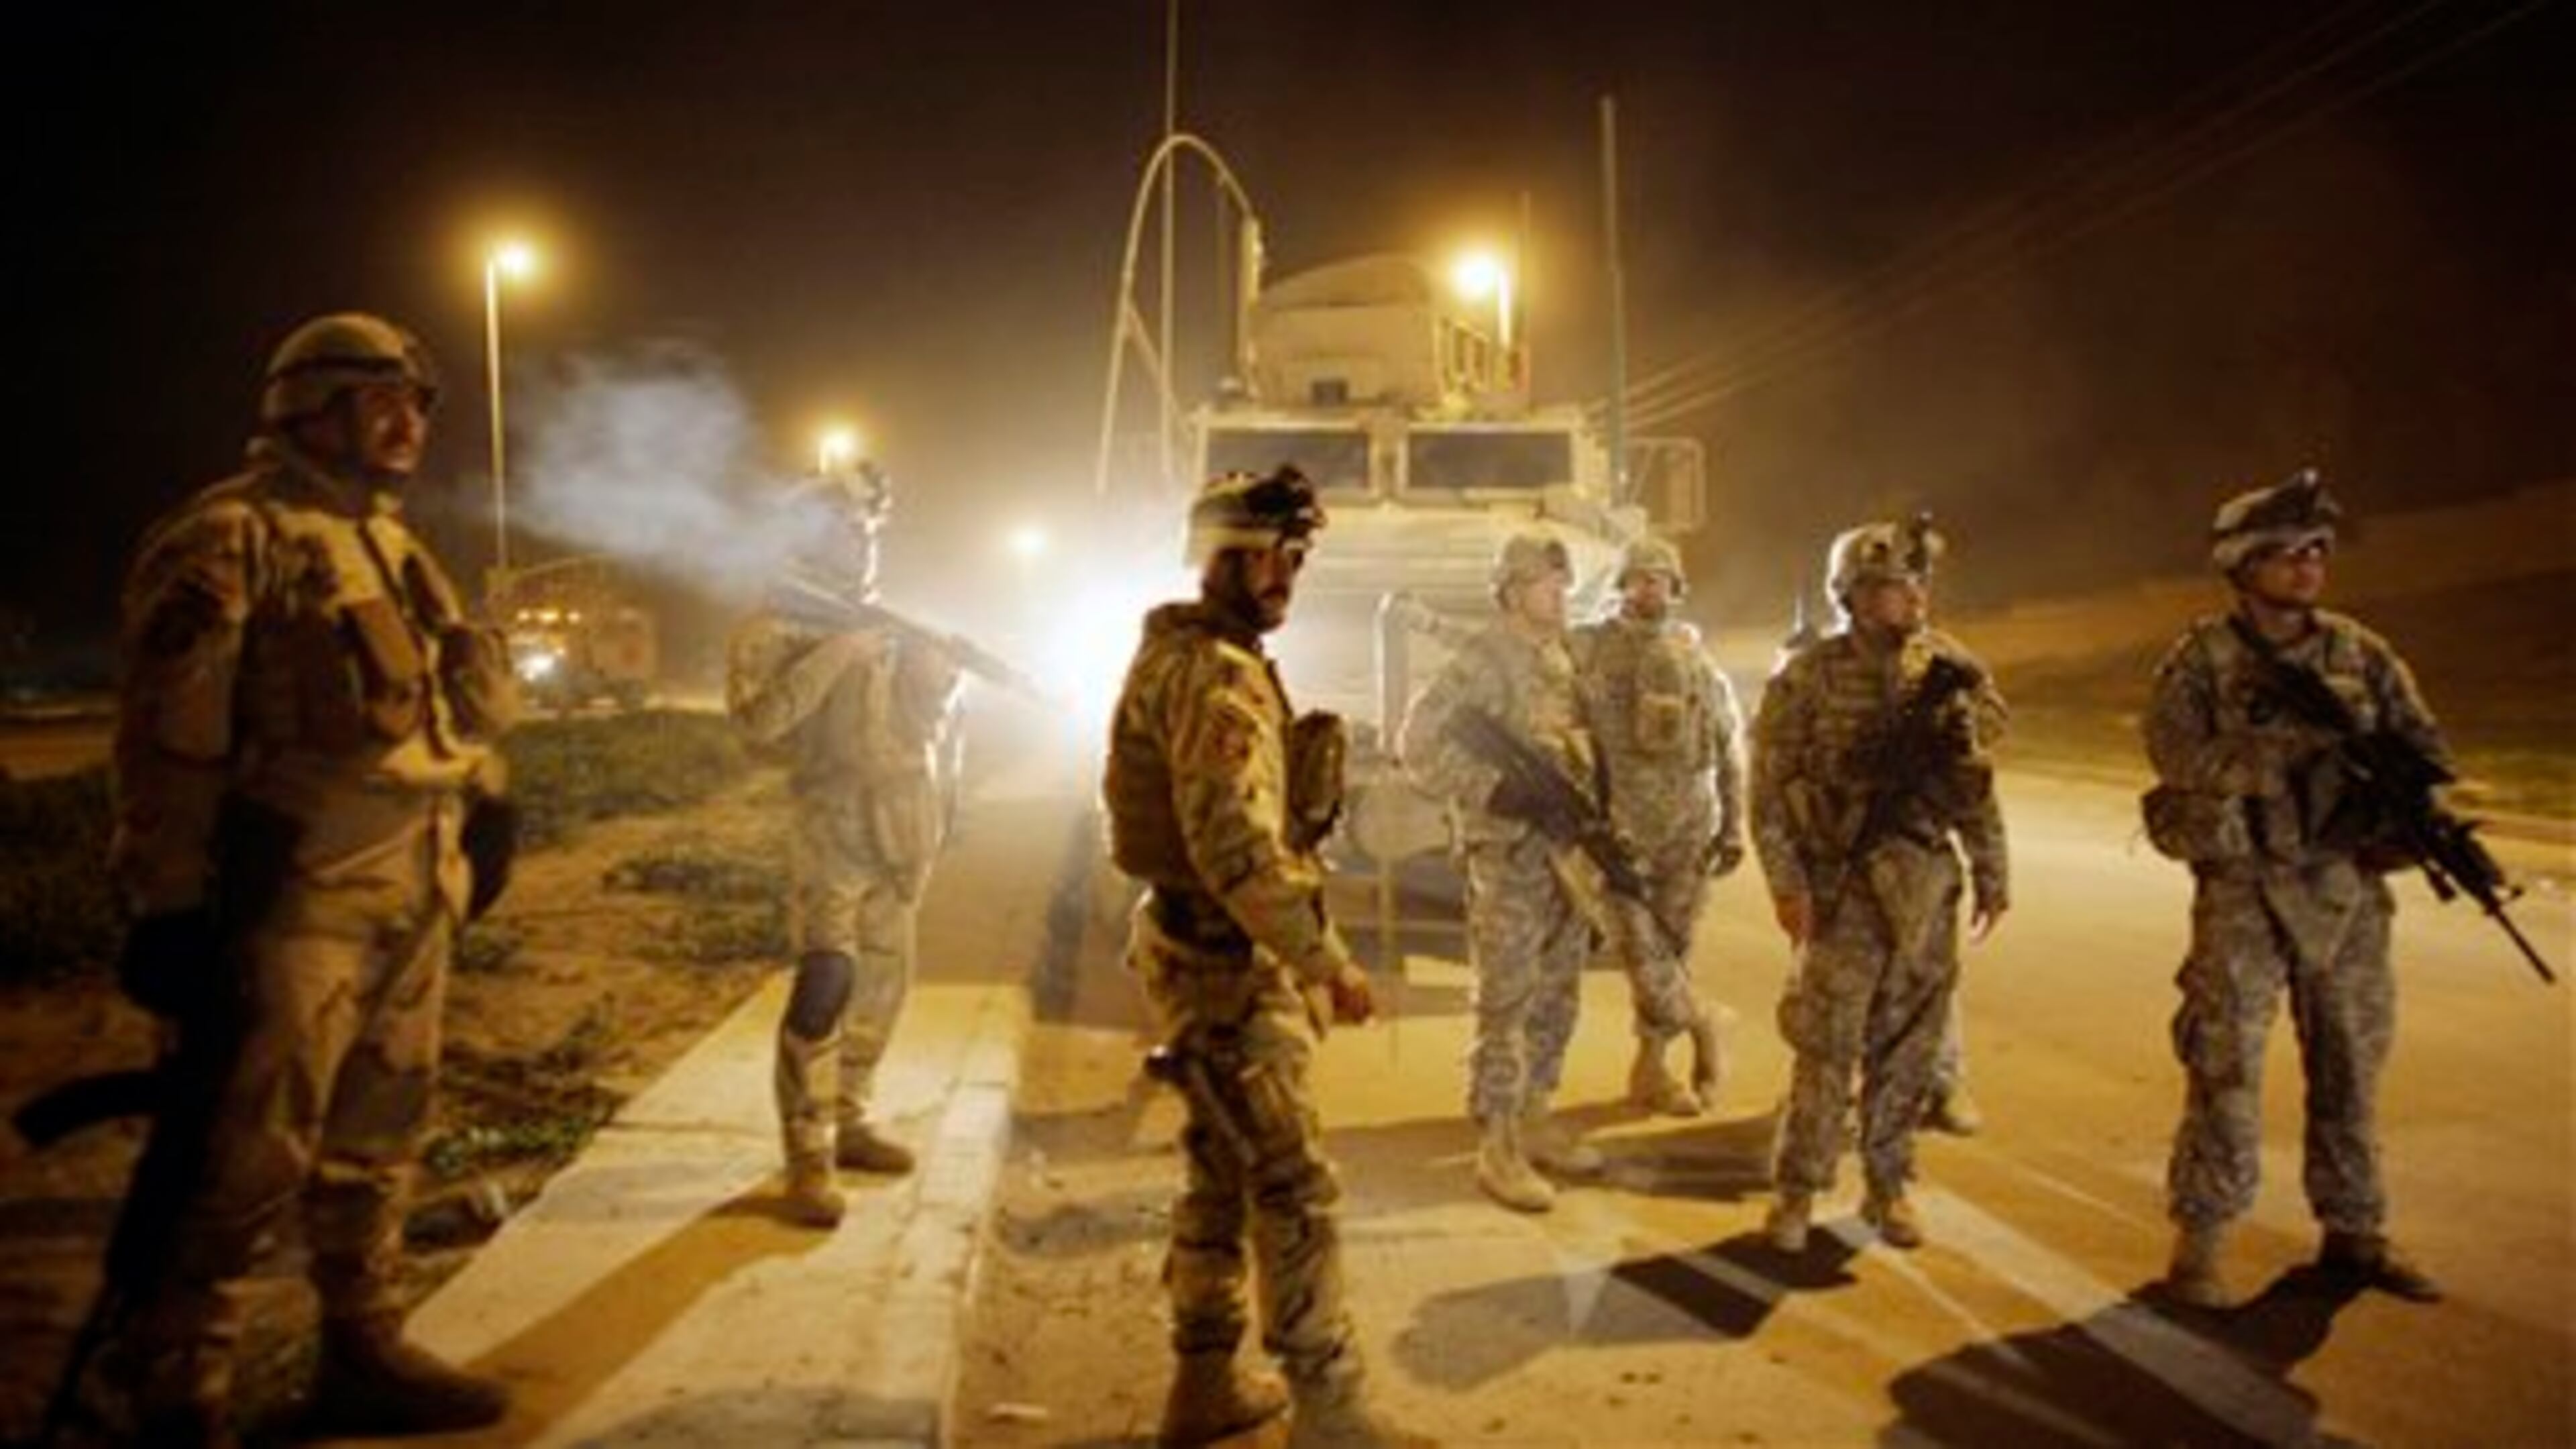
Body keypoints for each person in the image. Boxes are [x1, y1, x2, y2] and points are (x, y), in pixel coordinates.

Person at [107, 313, 519, 1443]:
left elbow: (449, 702)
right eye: (376, 396)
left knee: (380, 1133)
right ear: (304, 405)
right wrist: (169, 902)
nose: (407, 421)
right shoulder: (230, 537)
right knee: (244, 1151)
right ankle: (179, 1386)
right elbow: (167, 738)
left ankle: (362, 1344)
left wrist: (488, 799)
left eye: (417, 402)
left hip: (411, 890)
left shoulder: (393, 547)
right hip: (296, 900)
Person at [1102, 467, 1416, 1446]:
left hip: (1197, 952)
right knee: (1294, 1191)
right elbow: (1234, 846)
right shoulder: (1217, 679)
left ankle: (1200, 1389)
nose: (1291, 577)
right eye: (1280, 557)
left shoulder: (1190, 654)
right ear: (1229, 557)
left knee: (1218, 1175)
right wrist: (1326, 962)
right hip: (1227, 969)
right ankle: (1331, 1413)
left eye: (1297, 559)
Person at [2141, 471, 2445, 1309]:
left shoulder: (2360, 653)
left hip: (2344, 891)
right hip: (2244, 893)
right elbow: (2176, 755)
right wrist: (2286, 754)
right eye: (2288, 552)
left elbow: (2422, 746)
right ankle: (2201, 1240)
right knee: (2226, 1065)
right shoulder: (2201, 660)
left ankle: (2356, 1231)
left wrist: (2401, 803)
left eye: (2319, 551)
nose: (2309, 567)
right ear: (2243, 566)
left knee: (2353, 1064)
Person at [1751, 515, 2008, 1252]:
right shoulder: (1808, 678)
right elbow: (1769, 790)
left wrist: (1993, 871)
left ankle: (1889, 1186)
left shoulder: (1949, 673)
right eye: (1897, 586)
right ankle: (1797, 1192)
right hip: (1846, 889)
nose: (1913, 597)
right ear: (1856, 595)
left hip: (1927, 882)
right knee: (1827, 1047)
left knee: (1911, 1048)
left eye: (1918, 583)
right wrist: (1786, 882)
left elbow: (1976, 783)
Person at [727, 457, 961, 1228]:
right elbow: (759, 724)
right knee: (826, 981)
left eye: (869, 533)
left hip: (898, 822)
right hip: (830, 825)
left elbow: (913, 727)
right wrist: (839, 655)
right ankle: (807, 1153)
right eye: (845, 531)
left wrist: (933, 683)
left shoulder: (881, 620)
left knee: (885, 985)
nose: (862, 547)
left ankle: (852, 1117)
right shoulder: (776, 625)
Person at [1400, 529, 1607, 1213]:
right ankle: (1497, 1143)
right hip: (1511, 856)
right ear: (1514, 590)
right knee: (1507, 1000)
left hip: (1566, 854)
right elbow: (1419, 743)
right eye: (1548, 582)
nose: (1560, 592)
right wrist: (1494, 789)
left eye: (1562, 582)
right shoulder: (1484, 659)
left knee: (1559, 992)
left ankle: (1538, 1115)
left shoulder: (1566, 657)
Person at [1569, 535, 1739, 1116]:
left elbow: (1725, 743)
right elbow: (1526, 654)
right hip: (1620, 834)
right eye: (1640, 578)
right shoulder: (1589, 647)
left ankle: (1652, 1072)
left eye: (1661, 579)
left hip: (1689, 832)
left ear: (1676, 587)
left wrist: (1734, 823)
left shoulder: (1694, 657)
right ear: (1622, 586)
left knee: (1673, 951)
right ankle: (1706, 1021)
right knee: (1640, 953)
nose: (1651, 589)